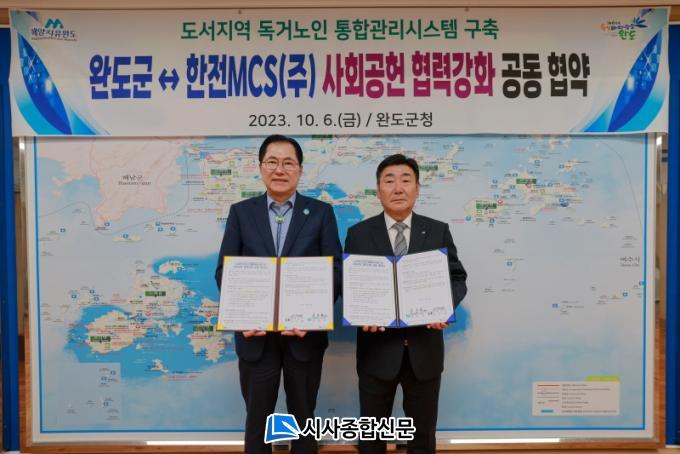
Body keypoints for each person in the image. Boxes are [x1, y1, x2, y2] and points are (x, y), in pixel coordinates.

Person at [215, 134, 342, 454]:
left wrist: (312, 317)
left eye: (288, 163)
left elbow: (335, 271)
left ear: (300, 170)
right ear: (261, 167)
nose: (280, 169)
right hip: (256, 338)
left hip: (304, 338)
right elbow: (225, 272)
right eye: (272, 162)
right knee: (258, 421)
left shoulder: (321, 213)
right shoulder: (241, 213)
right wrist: (242, 316)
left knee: (303, 419)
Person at [344, 153, 467, 454]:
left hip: (424, 352)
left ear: (417, 188)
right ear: (378, 190)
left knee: (422, 438)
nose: (398, 188)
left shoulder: (437, 230)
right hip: (376, 352)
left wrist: (443, 307)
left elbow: (457, 277)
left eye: (406, 180)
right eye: (389, 181)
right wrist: (360, 312)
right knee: (371, 439)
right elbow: (349, 284)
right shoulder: (359, 234)